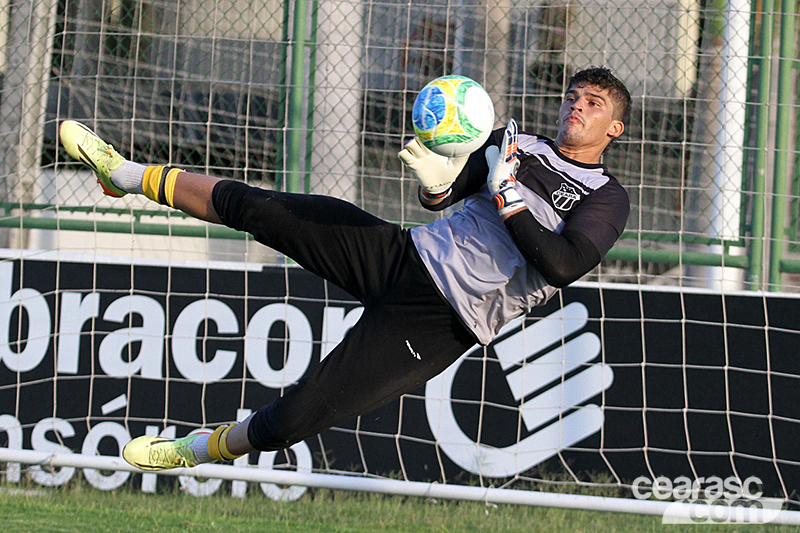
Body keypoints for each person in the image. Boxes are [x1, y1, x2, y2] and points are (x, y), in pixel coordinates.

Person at [58, 66, 631, 471]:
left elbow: (562, 265)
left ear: (614, 129)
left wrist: (505, 194)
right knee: (262, 208)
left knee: (290, 422)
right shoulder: (515, 144)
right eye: (573, 95)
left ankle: (197, 450)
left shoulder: (605, 195)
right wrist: (437, 186)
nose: (576, 106)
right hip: (402, 255)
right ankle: (125, 173)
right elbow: (447, 195)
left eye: (593, 103)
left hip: (441, 323)